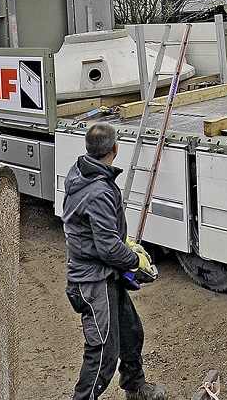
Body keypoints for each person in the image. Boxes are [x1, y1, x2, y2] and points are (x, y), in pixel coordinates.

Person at [61, 123, 165, 400]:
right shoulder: (99, 191)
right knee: (103, 351)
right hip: (92, 281)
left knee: (131, 332)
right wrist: (136, 261)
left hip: (103, 274)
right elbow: (107, 248)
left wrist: (125, 242)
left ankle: (135, 386)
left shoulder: (84, 173)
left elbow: (103, 235)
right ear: (115, 149)